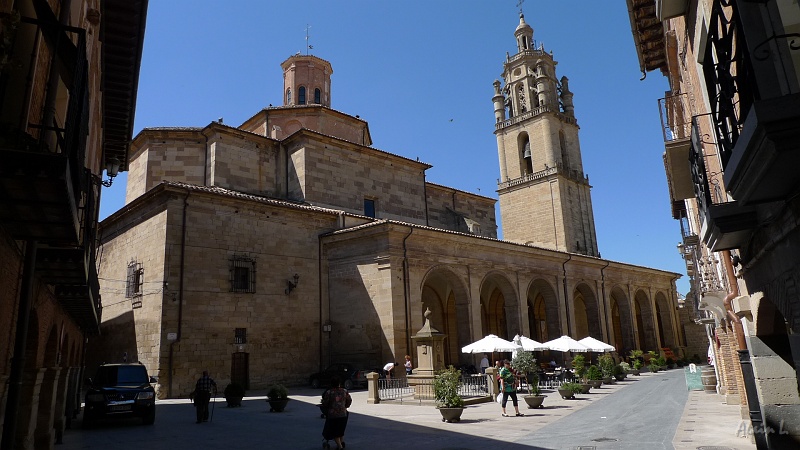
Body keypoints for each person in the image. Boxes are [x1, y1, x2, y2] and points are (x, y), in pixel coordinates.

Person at [321, 376, 352, 450]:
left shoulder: (329, 392)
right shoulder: (344, 391)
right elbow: (349, 400)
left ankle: (340, 446)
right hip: (343, 413)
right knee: (340, 428)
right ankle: (342, 441)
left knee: (334, 430)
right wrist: (345, 406)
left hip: (333, 414)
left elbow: (326, 403)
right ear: (339, 383)